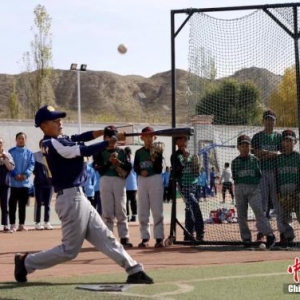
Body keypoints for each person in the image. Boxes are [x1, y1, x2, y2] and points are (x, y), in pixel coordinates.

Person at [14, 105, 153, 284]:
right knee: (69, 250)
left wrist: (102, 131)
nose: (60, 122)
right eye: (55, 120)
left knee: (106, 237)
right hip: (70, 199)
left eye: (59, 119)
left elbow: (81, 137)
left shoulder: (58, 139)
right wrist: (108, 142)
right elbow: (83, 150)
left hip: (79, 198)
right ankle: (26, 262)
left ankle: (134, 269)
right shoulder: (51, 143)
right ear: (44, 126)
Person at [231, 134, 275, 248]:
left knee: (259, 211)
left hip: (254, 188)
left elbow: (258, 175)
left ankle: (269, 235)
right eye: (242, 145)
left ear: (250, 147)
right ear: (238, 147)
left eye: (247, 145)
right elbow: (235, 177)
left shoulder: (254, 160)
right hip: (240, 189)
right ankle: (246, 239)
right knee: (241, 215)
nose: (245, 148)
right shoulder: (234, 162)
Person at [93, 126, 133, 248]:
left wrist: (118, 163)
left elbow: (128, 169)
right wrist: (110, 162)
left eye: (114, 137)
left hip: (119, 180)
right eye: (109, 136)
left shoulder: (122, 152)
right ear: (105, 138)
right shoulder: (99, 152)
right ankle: (108, 237)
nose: (111, 139)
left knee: (121, 209)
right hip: (105, 180)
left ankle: (124, 237)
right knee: (107, 211)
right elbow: (100, 170)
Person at [251, 109, 283, 239]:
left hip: (276, 173)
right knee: (262, 204)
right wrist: (272, 154)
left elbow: (281, 154)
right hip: (262, 173)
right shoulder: (257, 136)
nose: (270, 122)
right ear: (263, 121)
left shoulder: (279, 137)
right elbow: (256, 154)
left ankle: (283, 232)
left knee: (278, 204)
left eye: (272, 120)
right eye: (267, 119)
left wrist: (265, 154)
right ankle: (262, 231)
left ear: (275, 122)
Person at [134, 126, 164, 248]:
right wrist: (141, 172)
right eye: (146, 136)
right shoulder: (139, 152)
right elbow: (136, 167)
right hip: (142, 180)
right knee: (143, 209)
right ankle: (145, 237)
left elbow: (159, 168)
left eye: (151, 136)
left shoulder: (157, 151)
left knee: (157, 209)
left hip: (155, 178)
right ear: (142, 138)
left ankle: (159, 237)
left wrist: (155, 157)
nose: (148, 139)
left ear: (154, 137)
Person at [171, 135, 204, 242]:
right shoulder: (175, 156)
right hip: (183, 185)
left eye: (184, 140)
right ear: (176, 142)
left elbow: (196, 172)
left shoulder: (193, 154)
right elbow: (176, 172)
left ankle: (188, 234)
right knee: (194, 204)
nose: (182, 142)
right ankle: (200, 231)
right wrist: (184, 159)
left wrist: (197, 166)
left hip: (195, 185)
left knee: (190, 209)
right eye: (180, 139)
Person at [275, 130, 300, 245]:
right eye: (285, 140)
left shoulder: (298, 157)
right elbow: (276, 177)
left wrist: (298, 192)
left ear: (295, 142)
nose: (288, 143)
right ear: (282, 143)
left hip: (297, 189)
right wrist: (278, 193)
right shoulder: (278, 159)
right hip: (283, 189)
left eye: (290, 140)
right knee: (285, 216)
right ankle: (290, 238)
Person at [9, 132, 35, 232]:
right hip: (13, 183)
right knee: (12, 205)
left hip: (25, 184)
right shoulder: (11, 152)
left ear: (25, 140)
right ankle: (12, 225)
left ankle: (21, 224)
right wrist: (15, 174)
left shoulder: (29, 153)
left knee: (22, 205)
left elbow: (31, 165)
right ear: (16, 140)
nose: (21, 140)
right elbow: (9, 164)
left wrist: (25, 175)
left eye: (23, 138)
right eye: (19, 138)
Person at [33, 139, 54, 230]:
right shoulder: (35, 155)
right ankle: (37, 222)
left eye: (46, 145)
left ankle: (47, 222)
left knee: (48, 204)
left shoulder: (52, 156)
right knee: (38, 203)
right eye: (43, 145)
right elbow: (33, 169)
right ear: (40, 146)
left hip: (50, 184)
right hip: (38, 183)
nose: (45, 147)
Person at [0, 137, 15, 232]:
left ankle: (6, 225)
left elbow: (12, 168)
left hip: (5, 184)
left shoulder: (8, 154)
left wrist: (5, 159)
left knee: (5, 206)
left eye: (0, 142)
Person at [124, 147, 138, 222]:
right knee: (133, 201)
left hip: (125, 183)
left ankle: (127, 216)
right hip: (134, 184)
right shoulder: (134, 160)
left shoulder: (125, 160)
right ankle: (134, 216)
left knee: (126, 201)